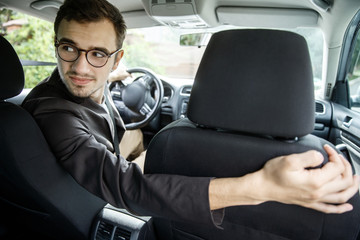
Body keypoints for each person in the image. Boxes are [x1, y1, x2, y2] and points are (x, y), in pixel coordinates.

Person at [22, 0, 359, 227]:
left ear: (117, 58)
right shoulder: (53, 113)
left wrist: (108, 79)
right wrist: (263, 186)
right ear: (56, 45)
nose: (80, 67)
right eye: (68, 48)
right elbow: (130, 188)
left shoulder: (94, 80)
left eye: (97, 53)